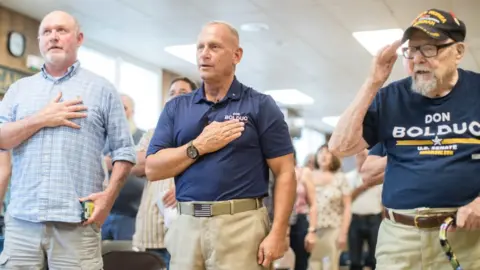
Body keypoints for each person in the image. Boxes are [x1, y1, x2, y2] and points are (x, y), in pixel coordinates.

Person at [329, 8, 480, 269]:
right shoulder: (389, 98)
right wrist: (373, 81)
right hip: (400, 238)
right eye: (413, 50)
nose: (419, 58)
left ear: (458, 52)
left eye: (430, 48)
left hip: (466, 236)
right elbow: (340, 148)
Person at [145, 21, 296, 270]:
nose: (204, 54)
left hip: (241, 226)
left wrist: (279, 232)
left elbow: (285, 172)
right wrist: (198, 146)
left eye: (214, 47)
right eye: (200, 47)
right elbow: (152, 169)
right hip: (186, 225)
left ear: (237, 55)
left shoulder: (260, 105)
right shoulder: (176, 107)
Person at [0, 10, 135, 269]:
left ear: (79, 38)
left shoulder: (102, 89)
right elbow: (2, 139)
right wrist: (41, 118)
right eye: (47, 32)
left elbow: (124, 151)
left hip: (77, 223)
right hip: (22, 223)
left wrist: (108, 197)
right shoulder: (19, 90)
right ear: (39, 40)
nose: (53, 37)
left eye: (61, 30)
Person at [132, 77, 197, 269]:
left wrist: (185, 189)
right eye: (172, 93)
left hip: (184, 230)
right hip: (150, 232)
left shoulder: (201, 134)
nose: (176, 97)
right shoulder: (153, 132)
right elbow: (136, 165)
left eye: (183, 93)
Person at [102, 94, 146, 241]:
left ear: (132, 112)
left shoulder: (144, 138)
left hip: (131, 216)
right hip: (102, 213)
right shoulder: (102, 138)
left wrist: (113, 162)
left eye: (124, 108)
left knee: (127, 261)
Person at [308, 145, 351, 270]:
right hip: (311, 229)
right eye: (320, 152)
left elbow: (347, 207)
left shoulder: (340, 178)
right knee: (312, 264)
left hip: (333, 228)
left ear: (333, 157)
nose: (323, 155)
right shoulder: (309, 176)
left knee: (329, 264)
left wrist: (343, 233)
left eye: (327, 153)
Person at [346, 148, 382, 270]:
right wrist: (364, 186)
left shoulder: (379, 177)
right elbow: (347, 199)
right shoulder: (349, 177)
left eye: (365, 156)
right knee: (354, 259)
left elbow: (383, 201)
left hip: (374, 220)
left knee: (374, 258)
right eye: (360, 156)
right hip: (355, 219)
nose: (362, 159)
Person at [289, 150, 317, 270]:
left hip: (299, 220)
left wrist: (311, 231)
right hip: (279, 219)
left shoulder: (304, 172)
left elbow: (313, 204)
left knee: (301, 263)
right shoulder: (275, 172)